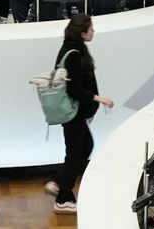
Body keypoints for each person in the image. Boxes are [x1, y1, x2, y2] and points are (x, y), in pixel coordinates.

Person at [45, 14, 114, 214]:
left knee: (85, 147)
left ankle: (58, 181)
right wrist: (99, 98)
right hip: (72, 112)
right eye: (91, 28)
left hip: (75, 113)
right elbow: (74, 89)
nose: (93, 31)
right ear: (82, 32)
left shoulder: (72, 48)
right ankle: (63, 199)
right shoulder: (74, 54)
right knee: (75, 154)